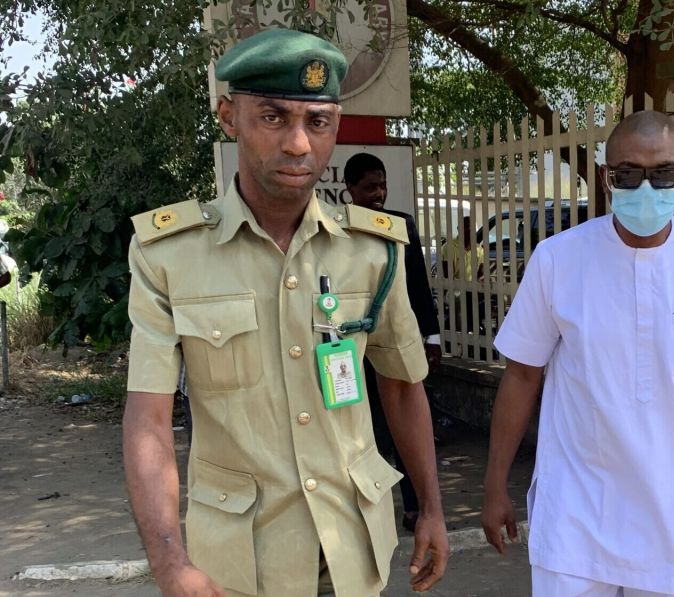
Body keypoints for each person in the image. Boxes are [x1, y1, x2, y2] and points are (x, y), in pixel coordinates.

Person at [122, 29, 448, 597]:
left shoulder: (373, 251)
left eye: (316, 122)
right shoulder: (169, 256)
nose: (299, 144)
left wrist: (432, 510)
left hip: (349, 549)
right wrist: (170, 564)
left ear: (335, 126)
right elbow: (148, 421)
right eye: (273, 118)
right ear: (229, 116)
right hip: (238, 561)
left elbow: (401, 387)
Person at [481, 111, 674, 597]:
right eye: (629, 174)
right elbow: (521, 377)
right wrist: (495, 485)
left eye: (662, 173)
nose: (646, 188)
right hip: (575, 518)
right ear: (606, 177)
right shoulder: (558, 259)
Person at [343, 151, 442, 533]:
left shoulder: (400, 226)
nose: (378, 193)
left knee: (407, 425)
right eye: (369, 187)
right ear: (350, 189)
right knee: (367, 430)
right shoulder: (340, 231)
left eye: (382, 185)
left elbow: (418, 283)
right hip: (356, 347)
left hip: (398, 344)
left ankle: (416, 506)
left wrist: (431, 337)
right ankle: (371, 508)